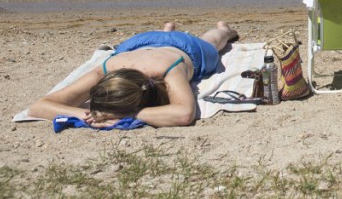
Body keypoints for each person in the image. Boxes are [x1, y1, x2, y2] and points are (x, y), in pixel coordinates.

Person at [27, 20, 238, 128]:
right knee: (206, 40)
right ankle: (167, 30)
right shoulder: (106, 70)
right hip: (138, 44)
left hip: (184, 48)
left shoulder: (168, 70)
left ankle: (224, 29)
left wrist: (126, 115)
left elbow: (183, 114)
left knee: (213, 42)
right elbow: (37, 107)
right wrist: (90, 114)